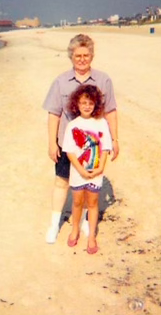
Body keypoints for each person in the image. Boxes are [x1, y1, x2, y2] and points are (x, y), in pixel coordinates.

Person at [43, 34, 118, 244]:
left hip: (93, 146)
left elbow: (111, 111)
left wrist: (115, 140)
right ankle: (54, 224)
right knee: (62, 182)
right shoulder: (60, 81)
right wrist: (51, 143)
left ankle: (85, 220)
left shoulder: (103, 80)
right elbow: (53, 114)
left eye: (86, 55)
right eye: (78, 55)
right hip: (67, 146)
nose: (82, 59)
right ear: (71, 57)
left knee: (87, 184)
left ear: (92, 56)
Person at [62, 84, 112, 254]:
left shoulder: (101, 123)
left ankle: (91, 236)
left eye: (90, 103)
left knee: (92, 203)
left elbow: (105, 148)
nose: (87, 106)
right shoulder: (72, 125)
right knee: (77, 202)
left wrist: (100, 167)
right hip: (78, 171)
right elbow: (69, 151)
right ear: (77, 104)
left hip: (96, 171)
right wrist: (81, 170)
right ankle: (75, 229)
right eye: (83, 102)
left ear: (96, 104)